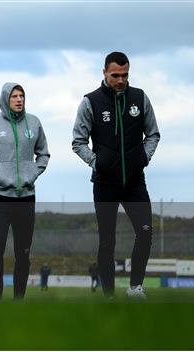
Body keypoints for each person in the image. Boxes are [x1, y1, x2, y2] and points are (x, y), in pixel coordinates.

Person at [72, 52, 160, 299]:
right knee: (106, 242)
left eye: (125, 75)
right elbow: (78, 142)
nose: (121, 80)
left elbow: (153, 134)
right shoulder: (90, 102)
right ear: (104, 73)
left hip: (134, 183)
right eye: (115, 75)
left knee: (145, 232)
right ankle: (109, 296)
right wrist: (96, 162)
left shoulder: (140, 98)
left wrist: (144, 157)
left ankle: (135, 288)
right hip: (104, 184)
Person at [0, 83, 49, 301]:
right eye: (14, 96)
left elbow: (43, 154)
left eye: (22, 96)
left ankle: (19, 299)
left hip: (26, 197)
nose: (19, 100)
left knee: (23, 252)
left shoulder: (34, 123)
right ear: (5, 99)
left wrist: (31, 174)